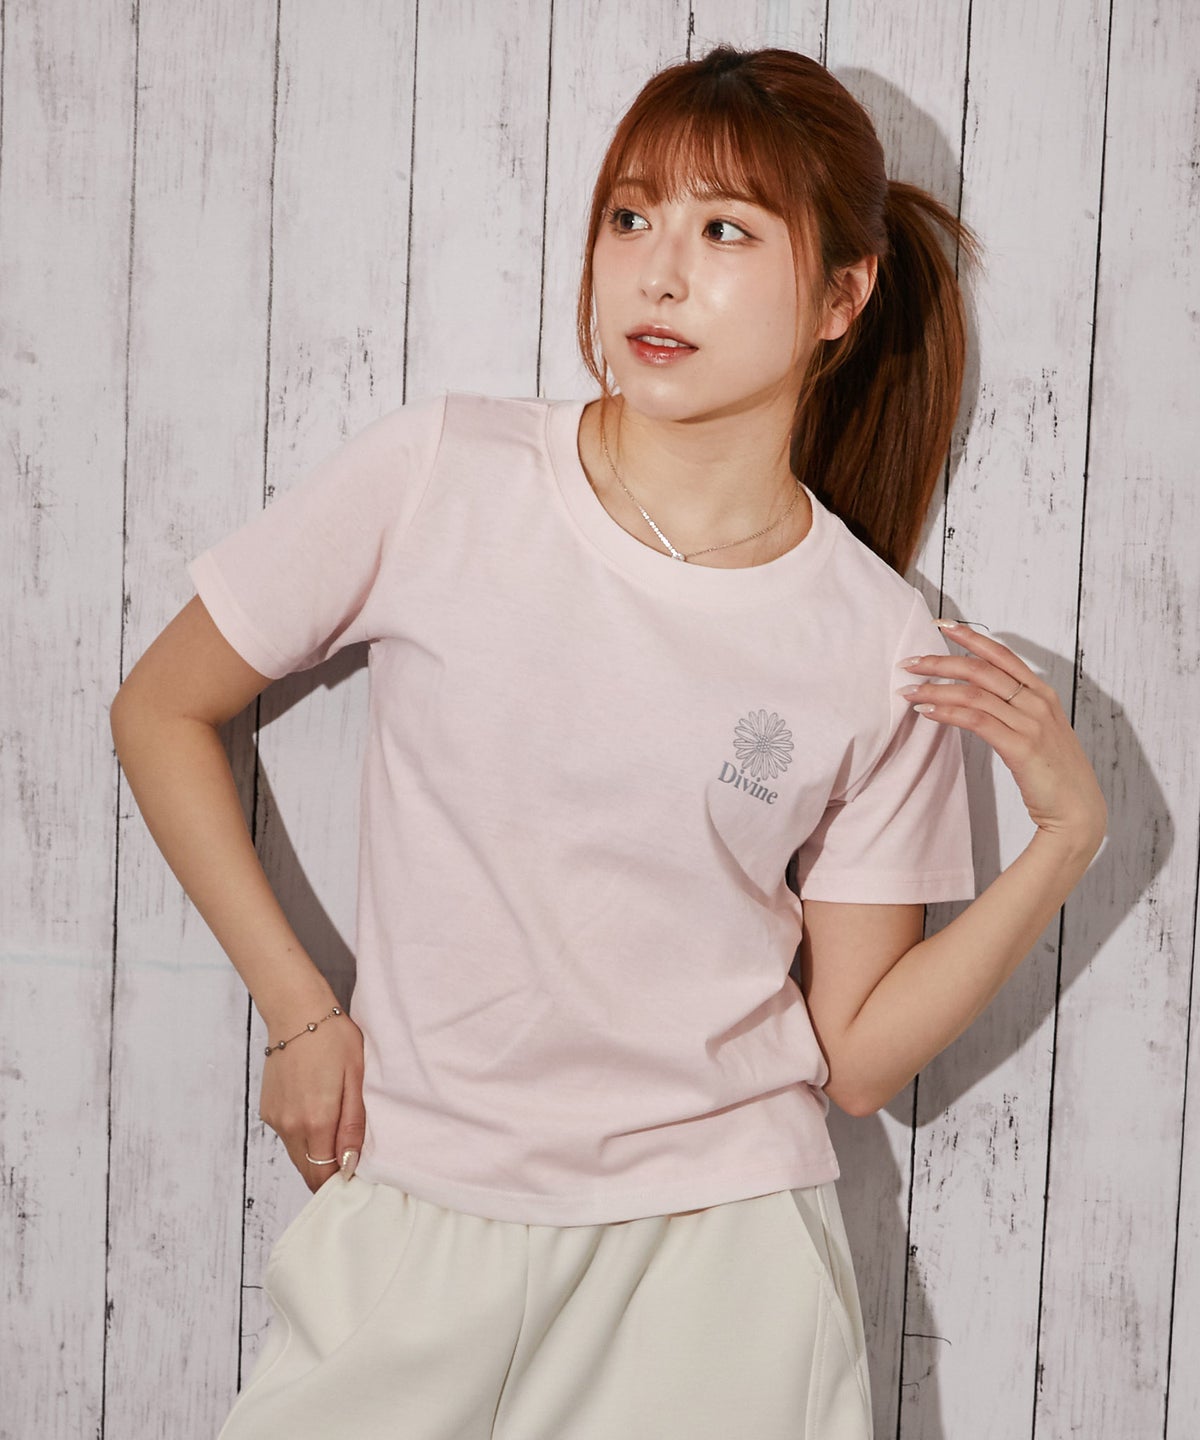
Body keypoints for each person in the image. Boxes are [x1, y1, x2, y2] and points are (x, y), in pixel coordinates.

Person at [109, 44, 1106, 1440]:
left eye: (726, 230)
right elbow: (158, 707)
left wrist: (1065, 839)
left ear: (843, 296)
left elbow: (859, 1056)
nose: (658, 273)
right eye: (631, 217)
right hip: (419, 1218)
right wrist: (302, 1012)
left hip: (719, 1270)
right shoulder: (444, 475)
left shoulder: (878, 643)